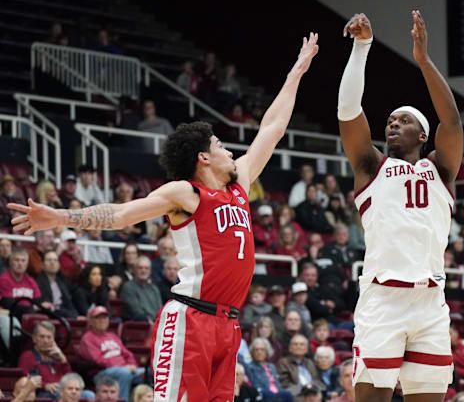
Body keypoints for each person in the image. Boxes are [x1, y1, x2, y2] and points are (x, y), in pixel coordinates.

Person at [9, 32, 319, 402]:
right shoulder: (186, 193)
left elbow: (272, 128)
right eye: (219, 145)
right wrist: (59, 216)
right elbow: (121, 214)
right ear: (203, 158)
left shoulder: (240, 184)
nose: (228, 150)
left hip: (229, 324)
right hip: (191, 318)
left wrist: (296, 72)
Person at [338, 10, 462, 398]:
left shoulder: (440, 169)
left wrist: (423, 61)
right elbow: (347, 112)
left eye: (403, 120)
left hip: (429, 302)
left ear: (422, 133)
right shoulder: (370, 166)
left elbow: (453, 122)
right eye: (390, 119)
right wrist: (361, 48)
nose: (392, 123)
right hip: (383, 299)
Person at [78, 306, 144, 401]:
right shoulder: (87, 338)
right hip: (101, 372)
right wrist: (123, 367)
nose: (102, 320)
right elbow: (97, 360)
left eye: (104, 317)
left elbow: (127, 354)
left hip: (123, 369)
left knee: (147, 372)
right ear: (91, 321)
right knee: (125, 373)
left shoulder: (112, 336)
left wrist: (132, 365)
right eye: (98, 318)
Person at [244, 338, 294, 402]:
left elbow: (278, 384)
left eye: (262, 349)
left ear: (267, 351)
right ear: (252, 352)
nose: (259, 352)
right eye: (256, 350)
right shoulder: (249, 367)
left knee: (288, 394)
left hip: (278, 394)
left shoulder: (271, 366)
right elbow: (254, 385)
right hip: (264, 394)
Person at [0, 249, 44, 317]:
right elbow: (8, 304)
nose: (20, 263)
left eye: (23, 261)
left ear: (27, 264)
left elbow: (38, 301)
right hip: (11, 316)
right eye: (16, 260)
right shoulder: (3, 279)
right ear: (10, 263)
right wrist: (31, 308)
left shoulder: (31, 280)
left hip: (31, 315)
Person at [35, 251, 78, 318]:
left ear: (59, 265)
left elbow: (69, 304)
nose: (52, 263)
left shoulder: (63, 282)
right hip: (50, 317)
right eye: (49, 260)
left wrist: (75, 316)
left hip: (65, 316)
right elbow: (48, 308)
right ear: (43, 264)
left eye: (55, 260)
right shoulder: (38, 282)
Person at [120, 255, 162, 321]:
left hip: (155, 324)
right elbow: (136, 311)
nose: (143, 270)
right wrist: (149, 320)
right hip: (139, 326)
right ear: (134, 270)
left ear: (150, 271)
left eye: (146, 268)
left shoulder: (154, 289)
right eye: (140, 268)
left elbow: (160, 311)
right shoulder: (128, 287)